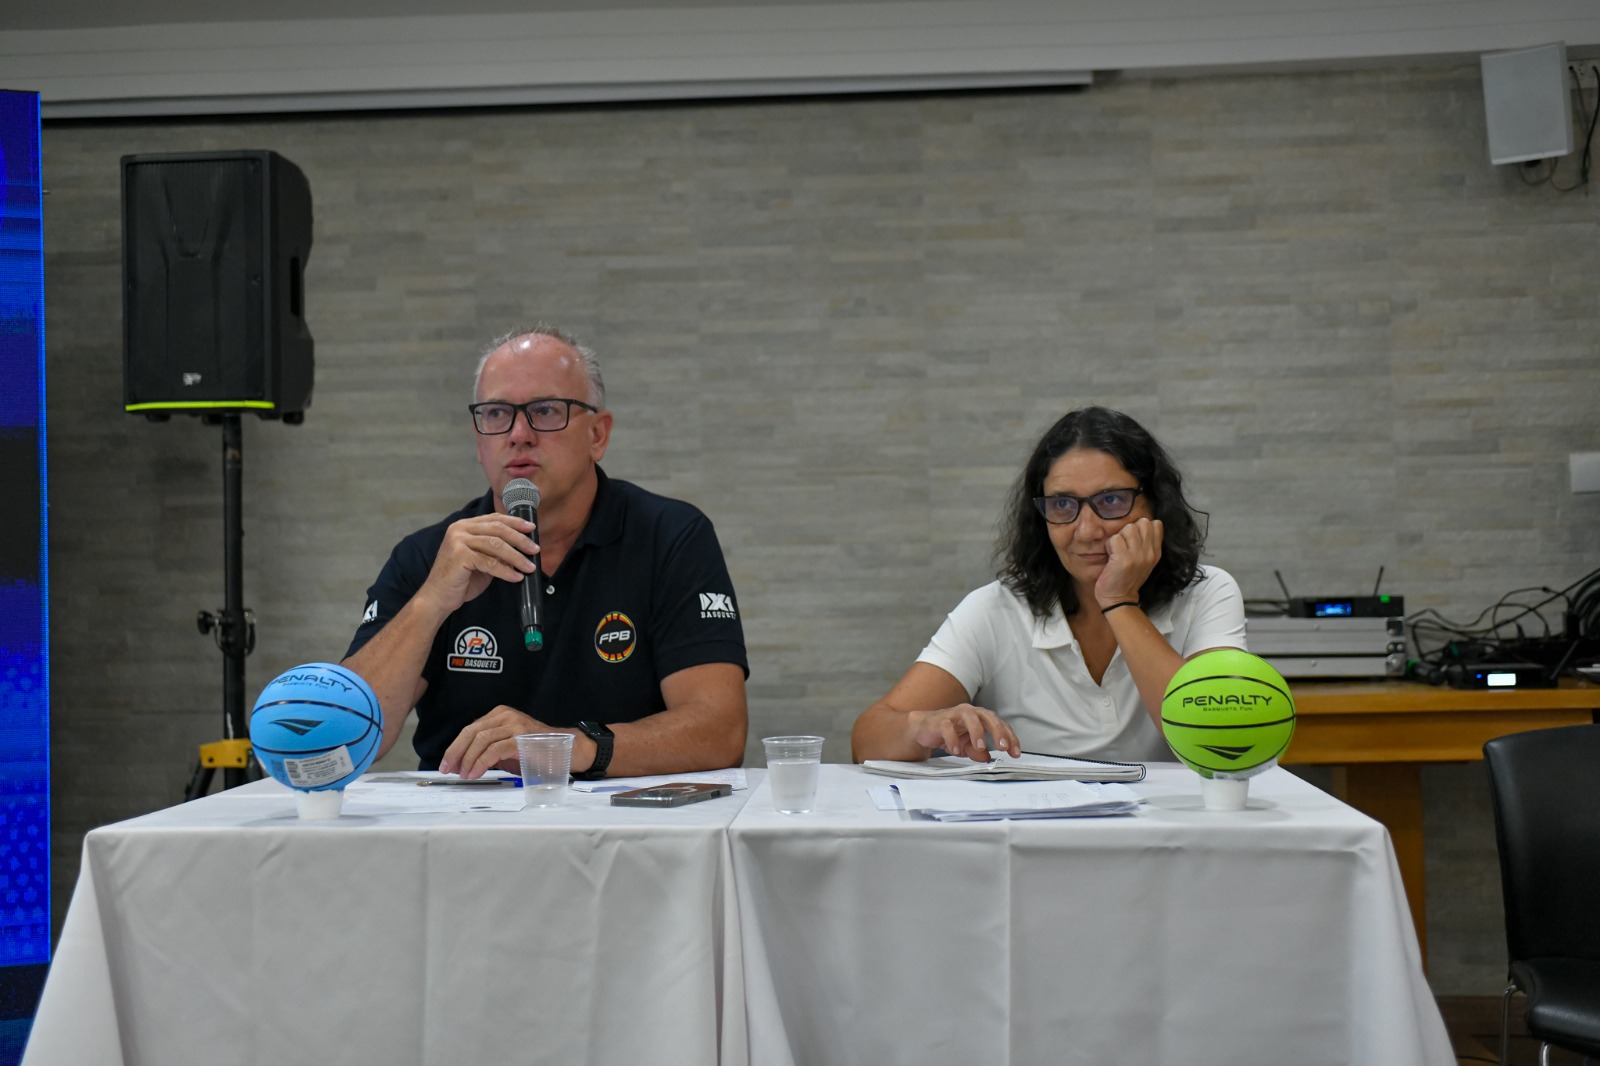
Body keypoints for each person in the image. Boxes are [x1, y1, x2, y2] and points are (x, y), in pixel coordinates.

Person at [343, 324, 748, 779]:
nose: (519, 434)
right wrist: (430, 602)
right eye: (497, 413)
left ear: (598, 435)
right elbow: (345, 737)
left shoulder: (670, 537)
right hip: (465, 817)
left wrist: (567, 747)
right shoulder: (428, 557)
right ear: (479, 442)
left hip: (623, 815)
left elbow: (720, 732)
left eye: (545, 410)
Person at [852, 406, 1245, 765]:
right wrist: (920, 727)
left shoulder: (1208, 593)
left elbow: (1217, 740)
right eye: (1062, 505)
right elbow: (866, 742)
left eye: (1111, 500)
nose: (1087, 530)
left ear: (1156, 505)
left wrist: (1120, 601)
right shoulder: (995, 609)